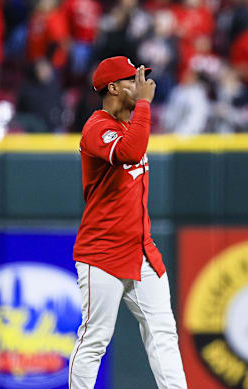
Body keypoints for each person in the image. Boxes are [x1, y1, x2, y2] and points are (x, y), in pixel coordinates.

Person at [68, 57, 187, 389]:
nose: (142, 84)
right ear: (113, 88)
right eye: (133, 79)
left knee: (163, 333)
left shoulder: (129, 125)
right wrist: (145, 107)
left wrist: (141, 110)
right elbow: (130, 152)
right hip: (102, 253)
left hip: (141, 250)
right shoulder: (97, 127)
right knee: (95, 340)